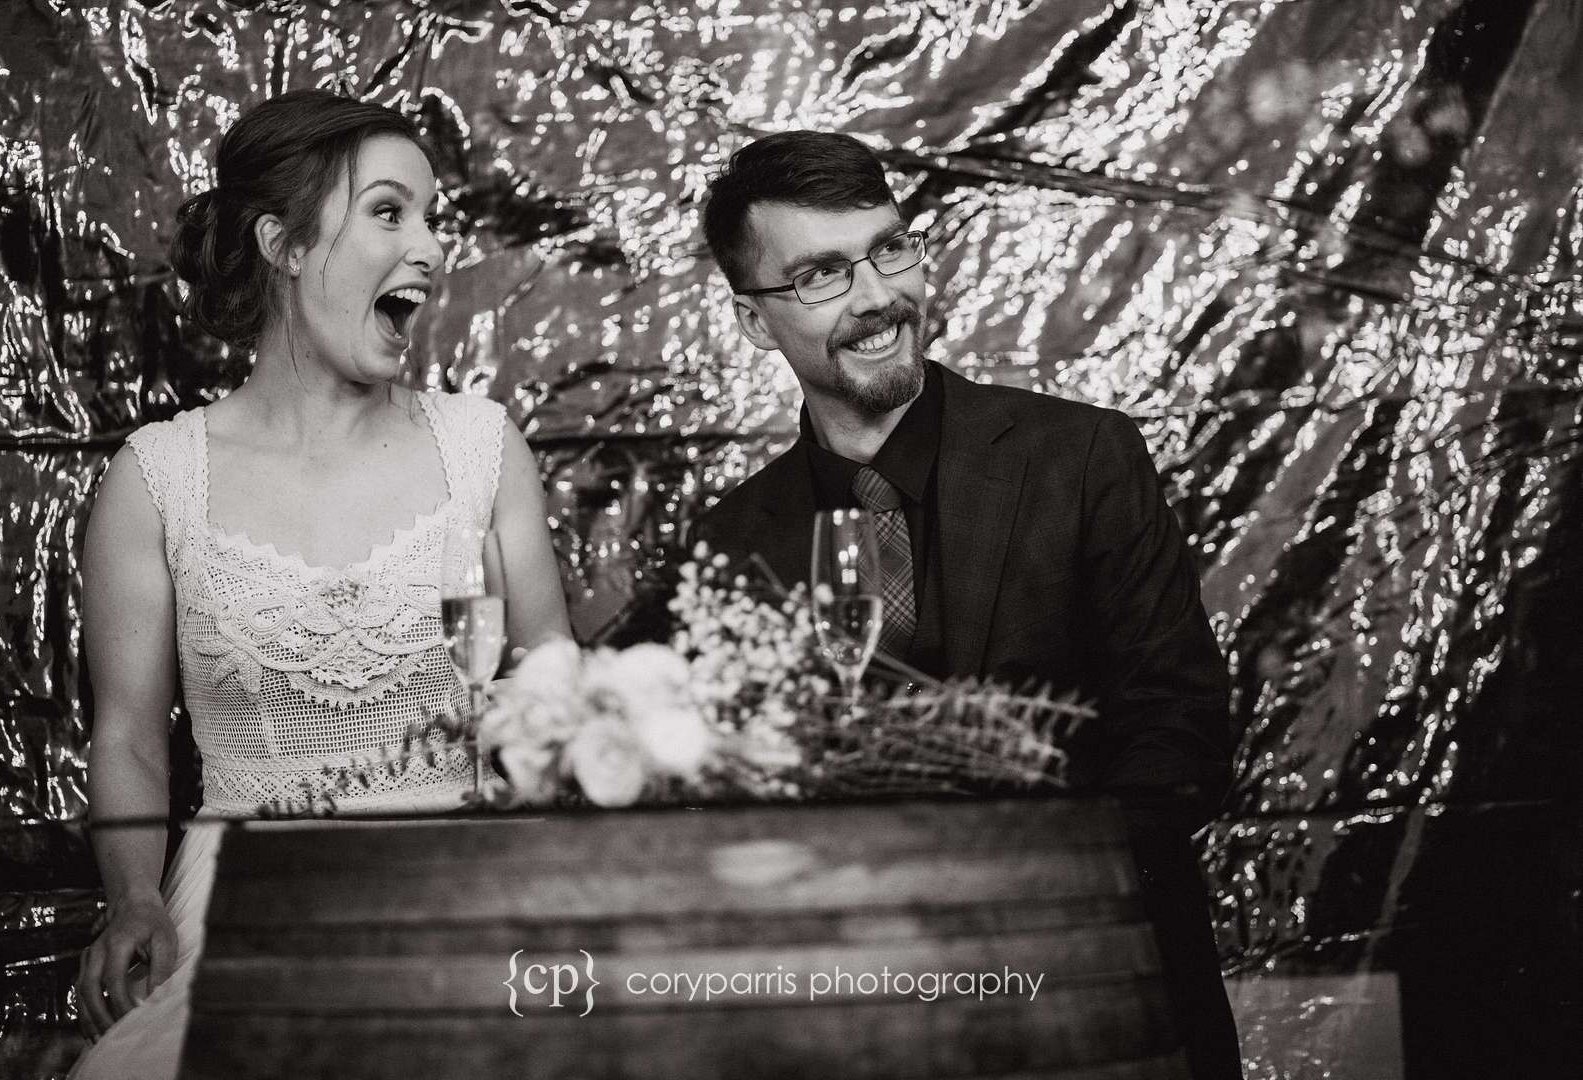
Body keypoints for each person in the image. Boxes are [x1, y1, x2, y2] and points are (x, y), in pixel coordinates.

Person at [694, 131, 1243, 1078]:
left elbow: (1180, 730)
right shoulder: (733, 544)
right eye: (823, 274)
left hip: (1098, 1004)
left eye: (891, 250)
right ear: (752, 322)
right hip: (852, 1026)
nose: (877, 298)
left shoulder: (1082, 460)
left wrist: (1008, 888)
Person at [70, 89, 572, 1078]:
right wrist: (132, 898)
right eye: (391, 212)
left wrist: (537, 756)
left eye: (433, 216)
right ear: (286, 244)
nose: (428, 246)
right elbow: (127, 734)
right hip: (245, 894)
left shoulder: (480, 449)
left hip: (461, 885)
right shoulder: (158, 477)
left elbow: (549, 665)